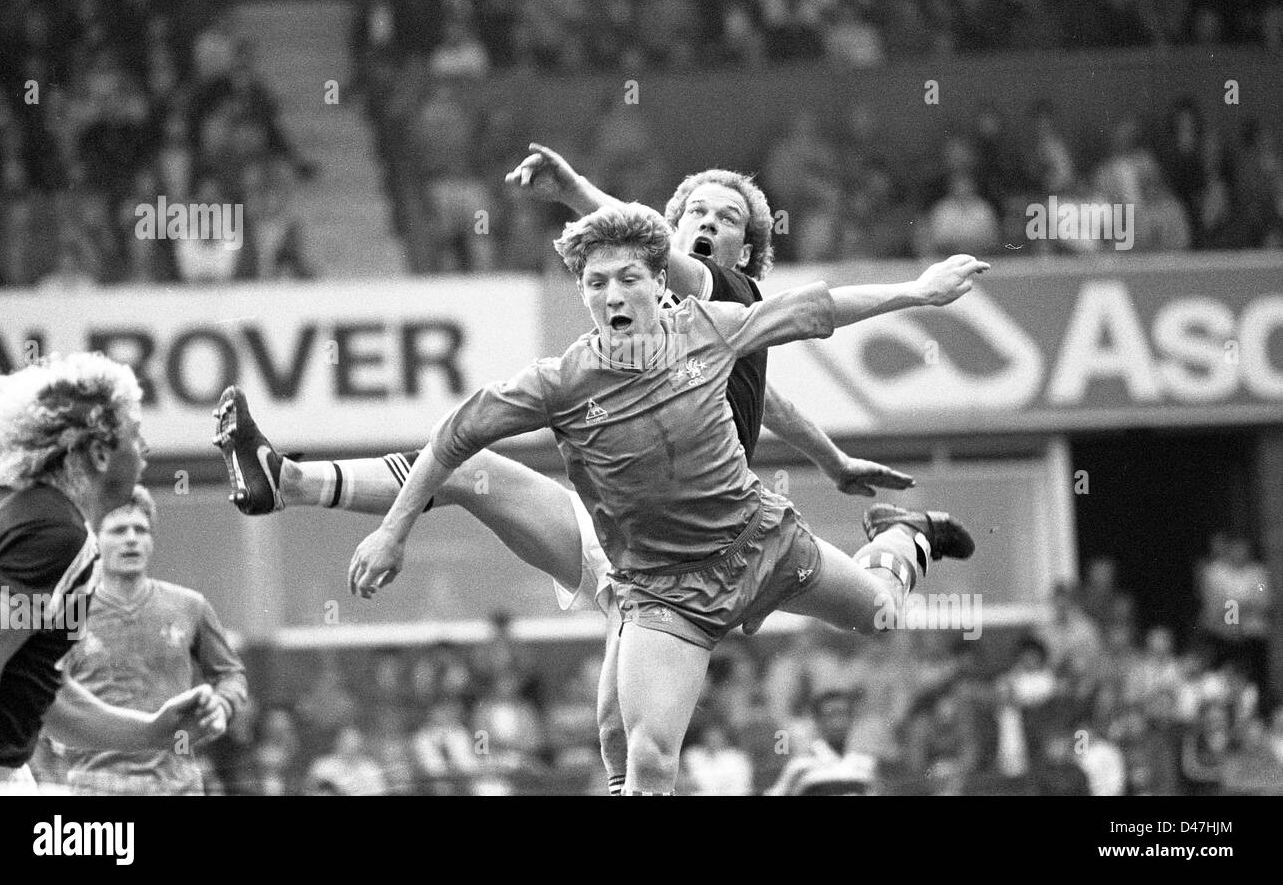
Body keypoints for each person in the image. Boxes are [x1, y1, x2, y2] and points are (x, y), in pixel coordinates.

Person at [214, 152, 916, 794]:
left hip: (722, 545)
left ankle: (904, 543)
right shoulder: (609, 347)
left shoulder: (727, 303)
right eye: (695, 211)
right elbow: (775, 404)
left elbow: (772, 336)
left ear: (749, 252)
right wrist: (836, 460)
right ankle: (292, 481)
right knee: (474, 474)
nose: (707, 222)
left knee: (858, 625)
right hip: (627, 549)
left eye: (725, 217)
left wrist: (573, 190)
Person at [347, 202, 986, 793]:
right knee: (647, 758)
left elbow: (816, 308)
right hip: (666, 593)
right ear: (582, 294)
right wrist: (392, 531)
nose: (612, 295)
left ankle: (906, 533)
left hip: (760, 542)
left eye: (627, 278)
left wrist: (917, 291)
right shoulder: (560, 383)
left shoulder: (707, 328)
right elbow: (451, 437)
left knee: (879, 613)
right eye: (596, 284)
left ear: (659, 281)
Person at [0, 353, 224, 790]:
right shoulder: (53, 535)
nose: (145, 449)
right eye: (135, 434)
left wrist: (154, 731)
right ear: (98, 452)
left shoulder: (56, 530)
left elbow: (45, 698)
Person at [55, 484, 248, 794]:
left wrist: (222, 705)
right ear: (94, 541)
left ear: (151, 541)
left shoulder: (189, 605)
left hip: (178, 785)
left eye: (140, 530)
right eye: (118, 530)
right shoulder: (67, 613)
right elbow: (41, 694)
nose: (131, 538)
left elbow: (230, 674)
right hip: (96, 788)